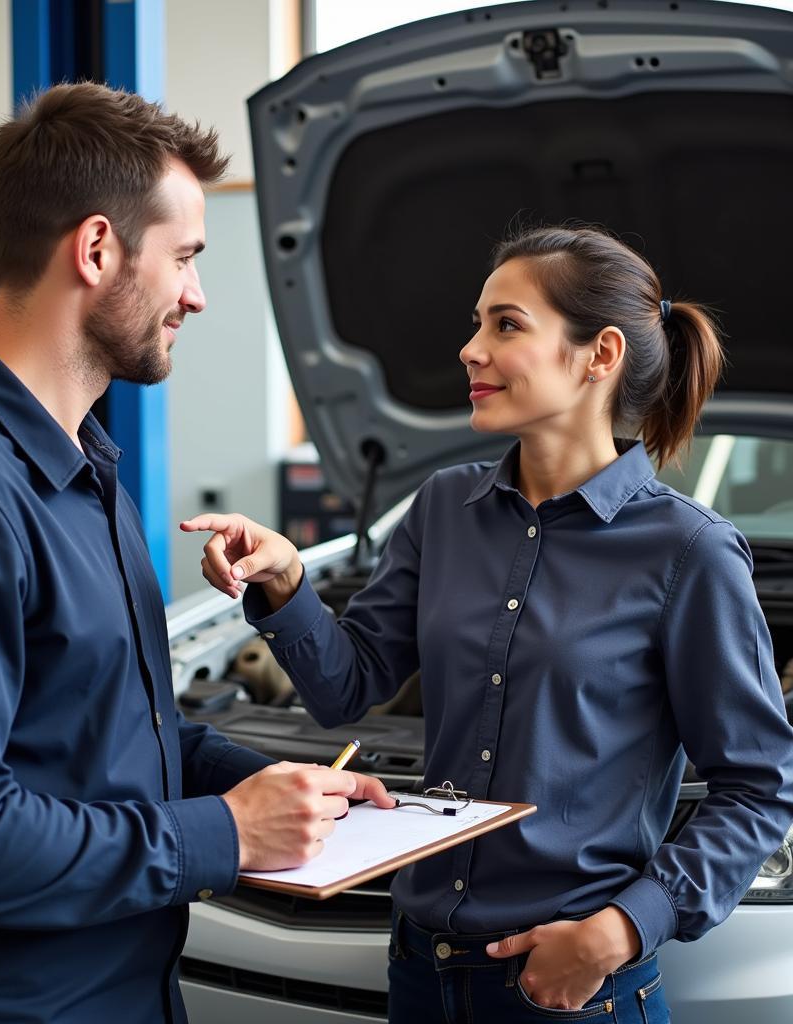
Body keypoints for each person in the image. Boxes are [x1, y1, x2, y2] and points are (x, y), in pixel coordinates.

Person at [0, 83, 392, 1024]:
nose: (196, 295)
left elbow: (106, 733)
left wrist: (262, 785)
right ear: (95, 249)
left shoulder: (81, 467)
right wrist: (227, 834)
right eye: (187, 259)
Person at [182, 225, 793, 1021]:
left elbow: (757, 788)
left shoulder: (690, 553)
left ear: (599, 354)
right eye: (477, 323)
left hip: (574, 990)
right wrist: (288, 580)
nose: (471, 349)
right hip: (420, 968)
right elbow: (345, 687)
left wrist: (620, 930)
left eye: (505, 325)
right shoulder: (442, 508)